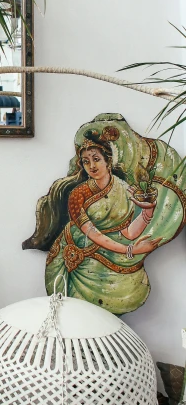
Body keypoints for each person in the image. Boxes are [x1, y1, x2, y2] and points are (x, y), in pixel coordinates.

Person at [45, 130, 162, 314]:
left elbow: (128, 233)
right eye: (86, 161)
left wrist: (148, 212)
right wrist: (131, 249)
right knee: (75, 315)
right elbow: (93, 234)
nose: (91, 165)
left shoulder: (123, 189)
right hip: (77, 260)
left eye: (96, 159)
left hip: (107, 254)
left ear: (108, 161)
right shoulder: (78, 194)